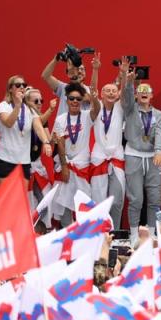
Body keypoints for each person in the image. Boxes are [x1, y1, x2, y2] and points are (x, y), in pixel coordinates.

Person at [53, 79, 100, 225]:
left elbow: (97, 110)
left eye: (78, 99)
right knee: (65, 203)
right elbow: (60, 143)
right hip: (66, 165)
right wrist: (65, 166)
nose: (75, 101)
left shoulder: (86, 116)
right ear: (66, 100)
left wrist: (93, 97)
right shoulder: (60, 119)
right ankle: (67, 234)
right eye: (71, 98)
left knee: (83, 202)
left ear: (82, 101)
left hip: (82, 166)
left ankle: (83, 234)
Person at [122, 74, 161, 229]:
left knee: (155, 198)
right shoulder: (130, 110)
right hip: (133, 155)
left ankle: (153, 233)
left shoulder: (158, 114)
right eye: (141, 91)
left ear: (152, 95)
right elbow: (126, 97)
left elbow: (160, 132)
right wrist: (129, 82)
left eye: (147, 91)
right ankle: (134, 233)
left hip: (153, 157)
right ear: (136, 95)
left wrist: (158, 151)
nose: (144, 93)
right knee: (136, 199)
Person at [0, 75, 52, 185]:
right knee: (7, 199)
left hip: (24, 161)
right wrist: (17, 106)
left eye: (24, 85)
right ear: (10, 89)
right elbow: (8, 123)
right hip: (5, 159)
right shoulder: (3, 106)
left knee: (21, 198)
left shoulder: (29, 109)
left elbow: (38, 127)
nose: (22, 87)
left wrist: (46, 142)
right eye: (18, 85)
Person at [90, 59, 127, 229]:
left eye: (114, 91)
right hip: (99, 158)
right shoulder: (96, 109)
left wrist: (124, 74)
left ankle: (115, 232)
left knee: (117, 200)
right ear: (102, 94)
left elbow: (126, 92)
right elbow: (92, 92)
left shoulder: (119, 108)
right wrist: (95, 70)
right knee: (99, 201)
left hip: (117, 158)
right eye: (108, 91)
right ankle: (98, 233)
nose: (111, 93)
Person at [41, 51, 92, 118]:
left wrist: (74, 75)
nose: (79, 71)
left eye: (82, 69)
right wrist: (55, 59)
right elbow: (45, 76)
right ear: (68, 74)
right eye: (77, 69)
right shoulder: (63, 87)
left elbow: (87, 98)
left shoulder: (90, 89)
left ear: (85, 73)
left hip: (79, 127)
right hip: (62, 127)